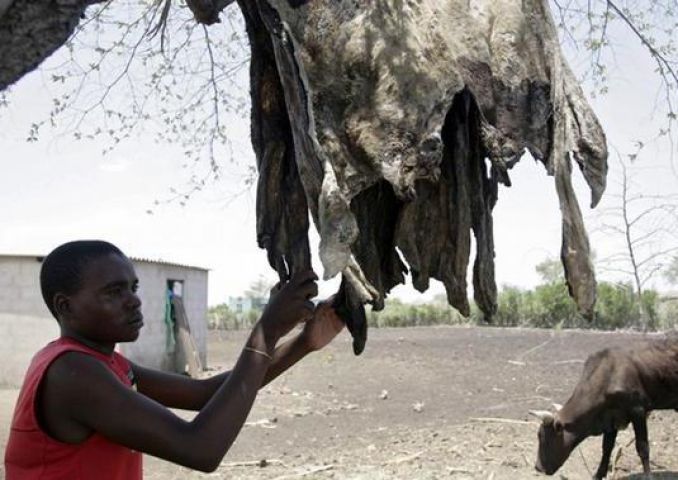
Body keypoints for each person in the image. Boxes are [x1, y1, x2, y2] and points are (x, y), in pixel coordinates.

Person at [4, 240, 345, 479]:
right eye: (113, 292)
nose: (133, 301)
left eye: (133, 288)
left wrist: (302, 343)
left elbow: (206, 395)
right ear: (65, 306)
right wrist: (266, 332)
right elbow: (199, 449)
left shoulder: (107, 363)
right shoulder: (72, 372)